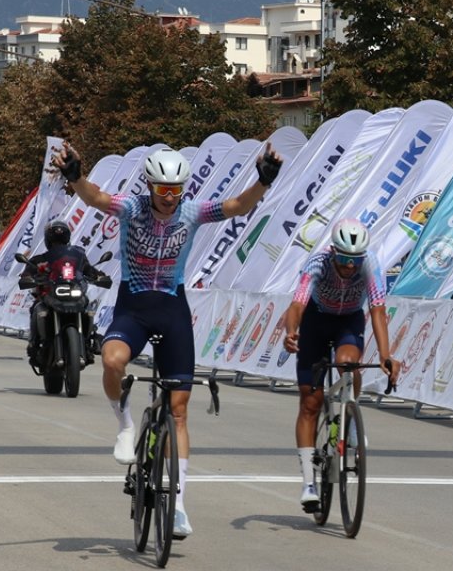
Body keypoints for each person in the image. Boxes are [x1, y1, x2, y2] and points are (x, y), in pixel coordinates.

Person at [52, 141, 282, 539]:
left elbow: (236, 207)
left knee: (178, 410)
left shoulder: (191, 212)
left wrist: (262, 180)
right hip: (134, 307)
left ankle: (176, 504)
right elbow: (96, 197)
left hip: (173, 310)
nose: (171, 197)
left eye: (177, 189)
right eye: (163, 189)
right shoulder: (131, 208)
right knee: (110, 361)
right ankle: (124, 425)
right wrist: (75, 176)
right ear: (150, 186)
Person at [281, 218, 399, 513]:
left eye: (355, 260)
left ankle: (350, 414)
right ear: (333, 251)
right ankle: (309, 483)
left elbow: (378, 311)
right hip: (316, 320)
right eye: (344, 258)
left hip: (348, 320)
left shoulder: (370, 264)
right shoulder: (318, 263)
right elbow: (296, 305)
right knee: (310, 402)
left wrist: (386, 355)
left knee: (349, 364)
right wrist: (291, 332)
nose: (349, 266)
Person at [18, 220, 108, 368]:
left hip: (74, 291)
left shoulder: (77, 258)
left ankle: (90, 340)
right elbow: (28, 272)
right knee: (37, 308)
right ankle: (34, 344)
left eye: (59, 241)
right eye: (55, 242)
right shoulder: (40, 259)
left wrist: (99, 276)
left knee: (88, 309)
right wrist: (28, 277)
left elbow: (88, 269)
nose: (57, 245)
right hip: (50, 294)